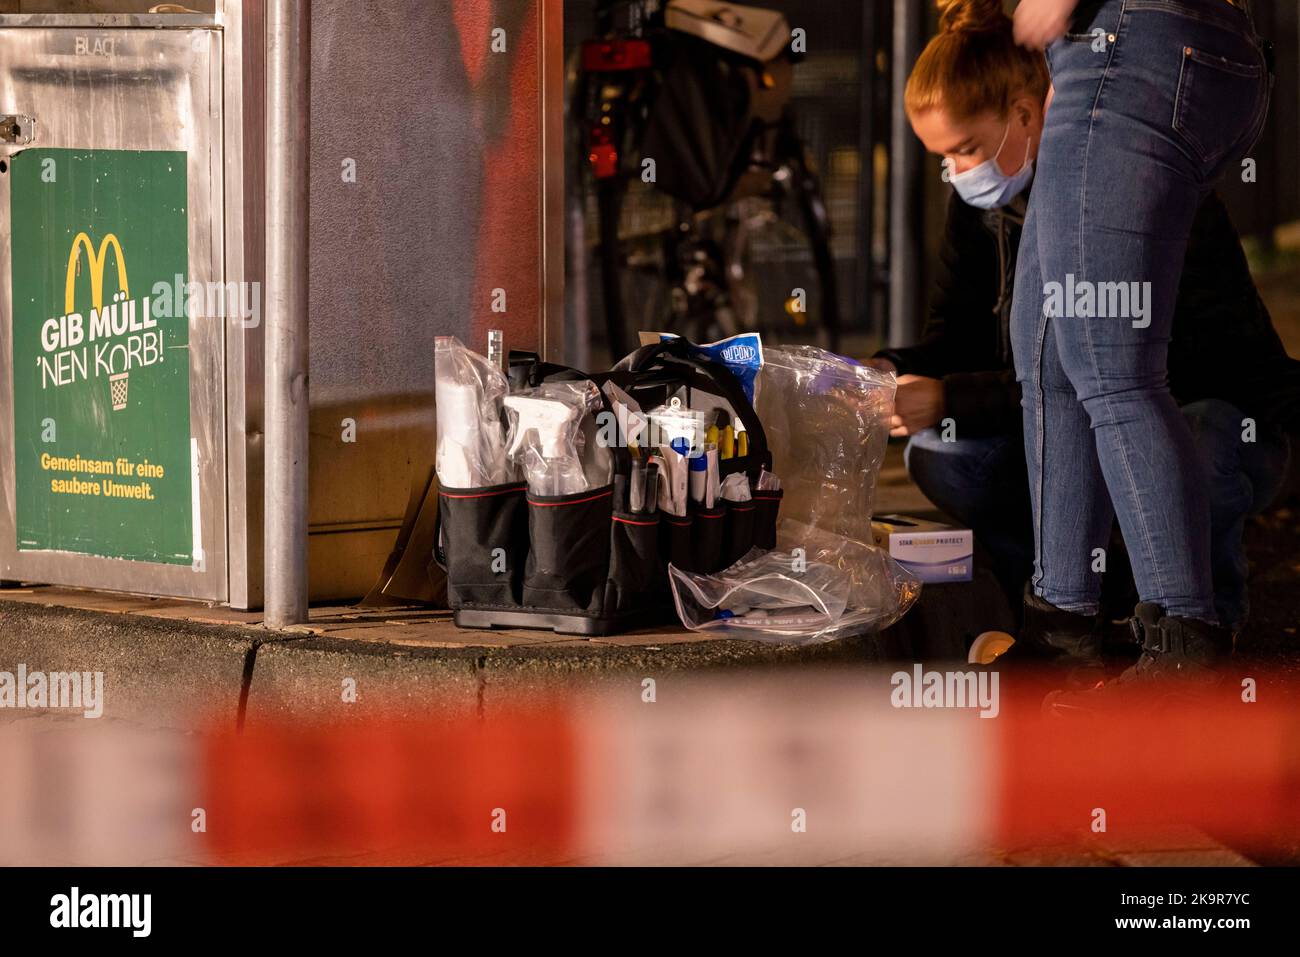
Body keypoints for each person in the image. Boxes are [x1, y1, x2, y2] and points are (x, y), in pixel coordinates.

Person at [874, 0, 1290, 691]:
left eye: (965, 150)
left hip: (1135, 41)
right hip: (1103, 51)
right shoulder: (988, 200)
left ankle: (1186, 653)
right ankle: (1059, 635)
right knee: (1046, 358)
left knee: (1106, 361)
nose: (956, 172)